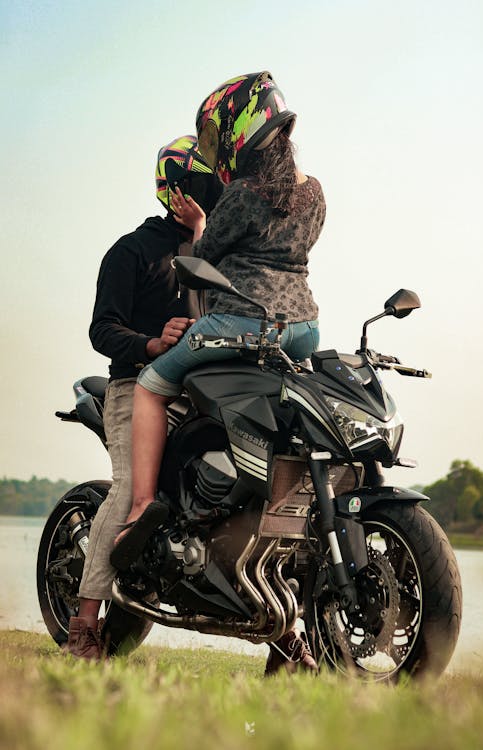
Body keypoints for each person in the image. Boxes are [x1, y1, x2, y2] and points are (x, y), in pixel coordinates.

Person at [112, 72, 325, 674]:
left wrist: (202, 235)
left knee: (154, 386)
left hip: (242, 326)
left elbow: (199, 265)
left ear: (238, 132)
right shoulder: (314, 193)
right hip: (304, 329)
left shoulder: (241, 197)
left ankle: (142, 504)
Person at [65, 135, 221, 660]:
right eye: (203, 182)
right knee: (132, 486)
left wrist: (202, 236)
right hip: (135, 386)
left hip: (201, 394)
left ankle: (288, 639)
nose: (214, 189)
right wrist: (152, 343)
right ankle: (84, 624)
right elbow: (102, 329)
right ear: (175, 190)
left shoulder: (215, 252)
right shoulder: (131, 250)